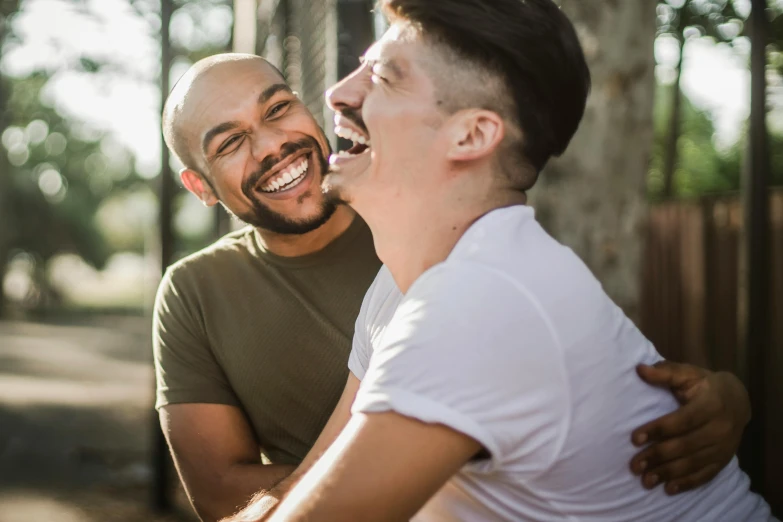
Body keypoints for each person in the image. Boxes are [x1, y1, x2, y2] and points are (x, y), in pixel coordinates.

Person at [155, 54, 751, 522]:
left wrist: (721, 397)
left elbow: (584, 380)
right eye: (229, 143)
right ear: (200, 186)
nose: (272, 145)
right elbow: (226, 492)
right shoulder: (388, 288)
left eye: (279, 108)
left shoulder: (455, 253)